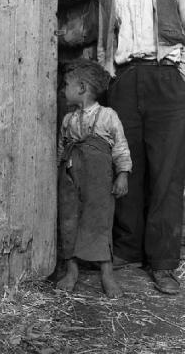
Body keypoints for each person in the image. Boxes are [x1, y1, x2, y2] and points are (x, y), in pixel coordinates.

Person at [88, 0, 185, 295]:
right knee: (128, 168)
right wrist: (110, 81)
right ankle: (127, 249)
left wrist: (180, 76)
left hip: (166, 80)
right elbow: (105, 48)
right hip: (124, 82)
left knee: (166, 175)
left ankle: (162, 263)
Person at [56, 58, 132, 298]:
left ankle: (107, 273)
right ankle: (72, 270)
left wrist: (122, 175)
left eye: (66, 84)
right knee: (69, 219)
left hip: (99, 181)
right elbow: (61, 150)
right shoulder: (68, 120)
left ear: (81, 88)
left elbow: (120, 148)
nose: (62, 89)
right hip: (71, 178)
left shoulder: (108, 116)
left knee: (100, 220)